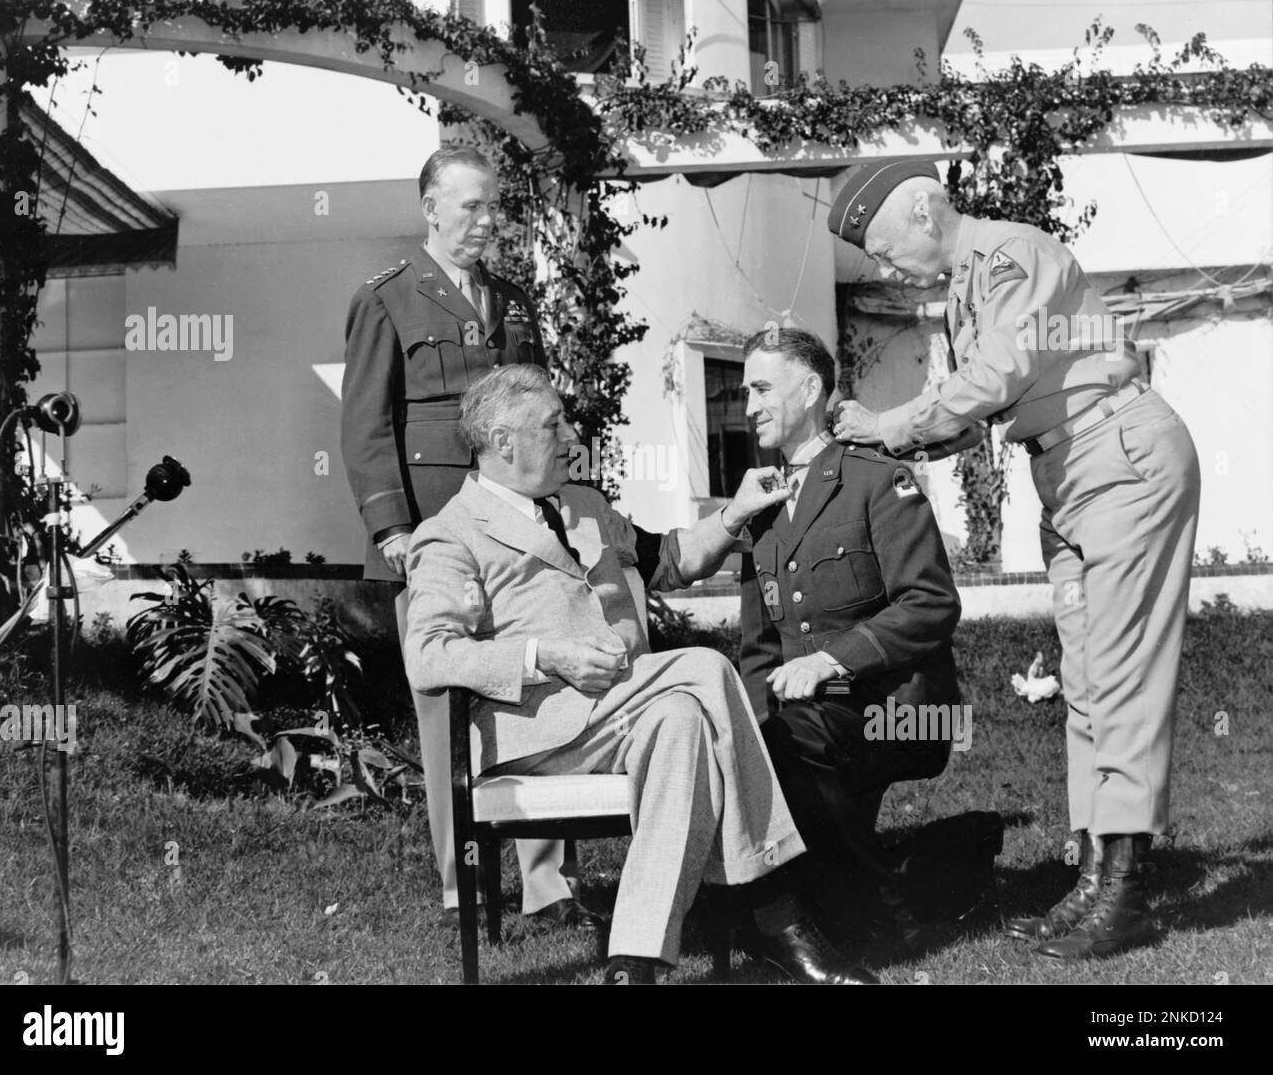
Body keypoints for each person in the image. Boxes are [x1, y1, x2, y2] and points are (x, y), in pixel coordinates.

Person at [828, 160, 1201, 959]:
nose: (891, 269)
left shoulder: (1010, 255)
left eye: (891, 249)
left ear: (926, 209)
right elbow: (975, 413)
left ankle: (1128, 890)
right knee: (1088, 680)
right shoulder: (966, 293)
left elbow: (998, 373)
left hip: (1118, 450)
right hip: (1068, 469)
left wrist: (895, 423)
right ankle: (1096, 878)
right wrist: (884, 431)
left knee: (1124, 672)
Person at [403, 364, 879, 985]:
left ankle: (635, 962)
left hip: (632, 709)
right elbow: (430, 653)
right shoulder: (450, 534)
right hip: (541, 734)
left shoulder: (583, 505)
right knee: (706, 667)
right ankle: (777, 915)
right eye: (554, 424)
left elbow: (669, 561)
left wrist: (735, 514)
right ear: (502, 441)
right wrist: (545, 656)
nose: (572, 434)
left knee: (683, 719)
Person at [340, 146, 588, 930]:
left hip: (517, 536)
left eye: (494, 207)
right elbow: (365, 425)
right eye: (472, 207)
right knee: (445, 704)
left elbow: (538, 413)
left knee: (539, 693)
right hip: (438, 536)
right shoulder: (385, 299)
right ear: (431, 209)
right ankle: (463, 883)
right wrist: (392, 529)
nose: (487, 221)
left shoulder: (513, 302)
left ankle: (549, 885)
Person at [737, 327, 962, 949]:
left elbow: (932, 602)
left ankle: (889, 914)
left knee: (792, 740)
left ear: (811, 389)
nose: (749, 405)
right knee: (762, 741)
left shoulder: (876, 478)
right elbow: (760, 648)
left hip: (903, 708)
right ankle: (823, 901)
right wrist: (748, 731)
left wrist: (831, 660)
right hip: (813, 719)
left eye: (762, 388)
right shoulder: (762, 505)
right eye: (744, 391)